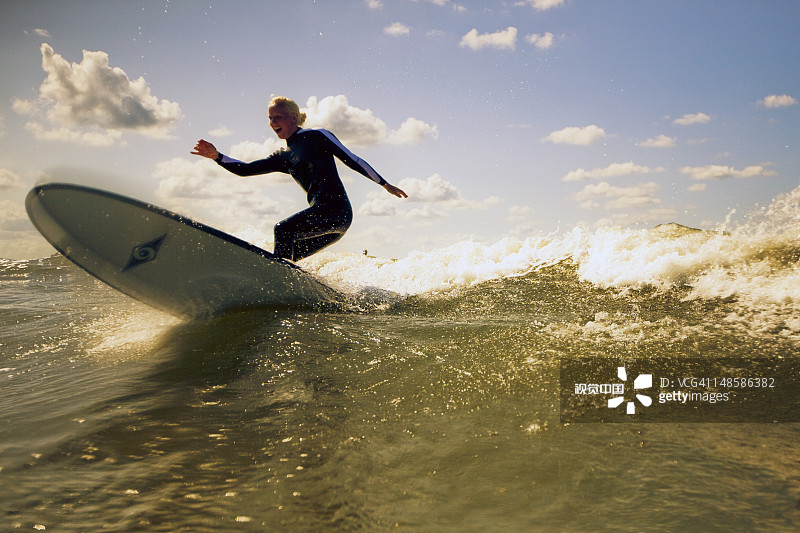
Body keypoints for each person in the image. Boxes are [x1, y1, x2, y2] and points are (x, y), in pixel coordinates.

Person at [192, 96, 407, 262]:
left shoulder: (316, 136)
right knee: (290, 256)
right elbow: (246, 169)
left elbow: (352, 159)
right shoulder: (283, 157)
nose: (273, 122)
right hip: (327, 223)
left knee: (282, 230)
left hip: (336, 211)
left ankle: (277, 281)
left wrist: (383, 183)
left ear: (293, 118)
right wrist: (217, 156)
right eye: (270, 118)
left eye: (278, 117)